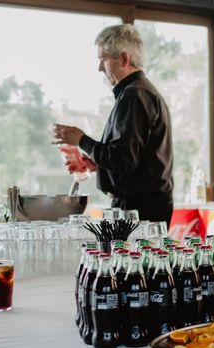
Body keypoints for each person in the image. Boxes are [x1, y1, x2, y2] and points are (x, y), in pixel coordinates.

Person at [53, 24, 174, 225]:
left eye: (103, 59)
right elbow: (134, 161)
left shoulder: (134, 95)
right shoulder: (139, 92)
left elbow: (123, 160)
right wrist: (95, 164)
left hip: (139, 211)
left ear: (124, 59)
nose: (99, 67)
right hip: (145, 207)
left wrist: (81, 139)